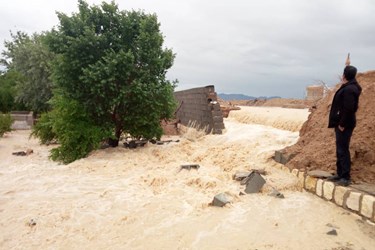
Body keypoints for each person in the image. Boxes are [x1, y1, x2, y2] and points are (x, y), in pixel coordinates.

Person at [328, 65, 362, 186]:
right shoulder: (350, 86)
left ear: (344, 75)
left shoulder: (349, 89)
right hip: (342, 123)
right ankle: (340, 173)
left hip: (345, 124)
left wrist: (342, 124)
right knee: (340, 149)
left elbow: (349, 109)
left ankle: (345, 177)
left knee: (343, 149)